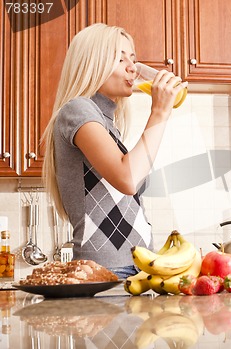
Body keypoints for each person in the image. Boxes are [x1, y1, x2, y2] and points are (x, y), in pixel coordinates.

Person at [42, 23, 187, 278]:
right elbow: (127, 178)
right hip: (105, 272)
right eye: (120, 59)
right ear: (92, 64)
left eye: (133, 58)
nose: (132, 67)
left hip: (135, 269)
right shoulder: (77, 110)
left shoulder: (107, 124)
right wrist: (160, 112)